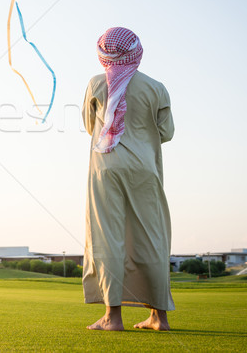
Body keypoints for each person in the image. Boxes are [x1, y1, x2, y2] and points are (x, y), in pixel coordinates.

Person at [82, 27, 175, 331]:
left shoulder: (96, 83)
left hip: (105, 166)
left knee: (107, 239)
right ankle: (158, 317)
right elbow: (166, 133)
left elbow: (89, 125)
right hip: (144, 168)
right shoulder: (156, 87)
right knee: (152, 237)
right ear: (136, 51)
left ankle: (113, 317)